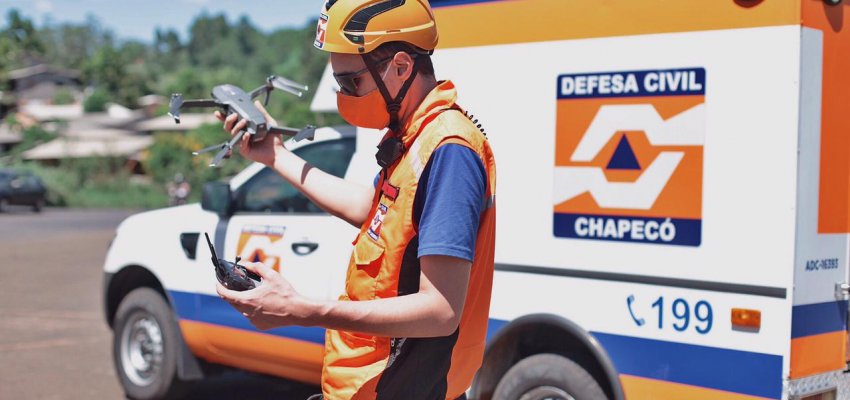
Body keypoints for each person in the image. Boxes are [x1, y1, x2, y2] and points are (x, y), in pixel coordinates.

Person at [214, 1, 496, 399]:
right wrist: (273, 154)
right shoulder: (415, 137)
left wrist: (302, 309)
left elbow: (440, 311)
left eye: (351, 83)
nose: (344, 96)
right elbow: (375, 212)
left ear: (400, 67)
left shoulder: (449, 149)